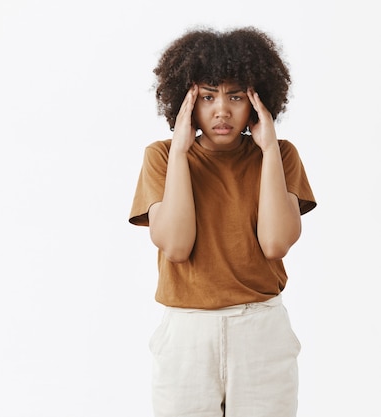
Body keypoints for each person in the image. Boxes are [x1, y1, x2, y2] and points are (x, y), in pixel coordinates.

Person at [128, 26, 317, 417]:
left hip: (261, 329)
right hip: (187, 332)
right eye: (208, 96)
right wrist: (181, 151)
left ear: (257, 101)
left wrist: (267, 150)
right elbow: (176, 247)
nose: (221, 110)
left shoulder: (280, 156)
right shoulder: (162, 157)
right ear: (186, 101)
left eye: (236, 96)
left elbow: (276, 244)